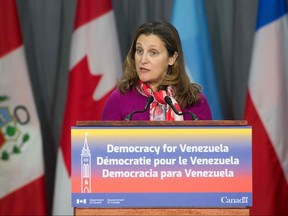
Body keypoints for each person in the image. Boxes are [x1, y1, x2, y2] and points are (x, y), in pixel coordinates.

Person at [101, 20, 212, 121]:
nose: (143, 60)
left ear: (172, 58)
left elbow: (207, 142)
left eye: (153, 52)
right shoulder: (119, 99)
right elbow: (104, 142)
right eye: (139, 50)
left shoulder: (196, 102)